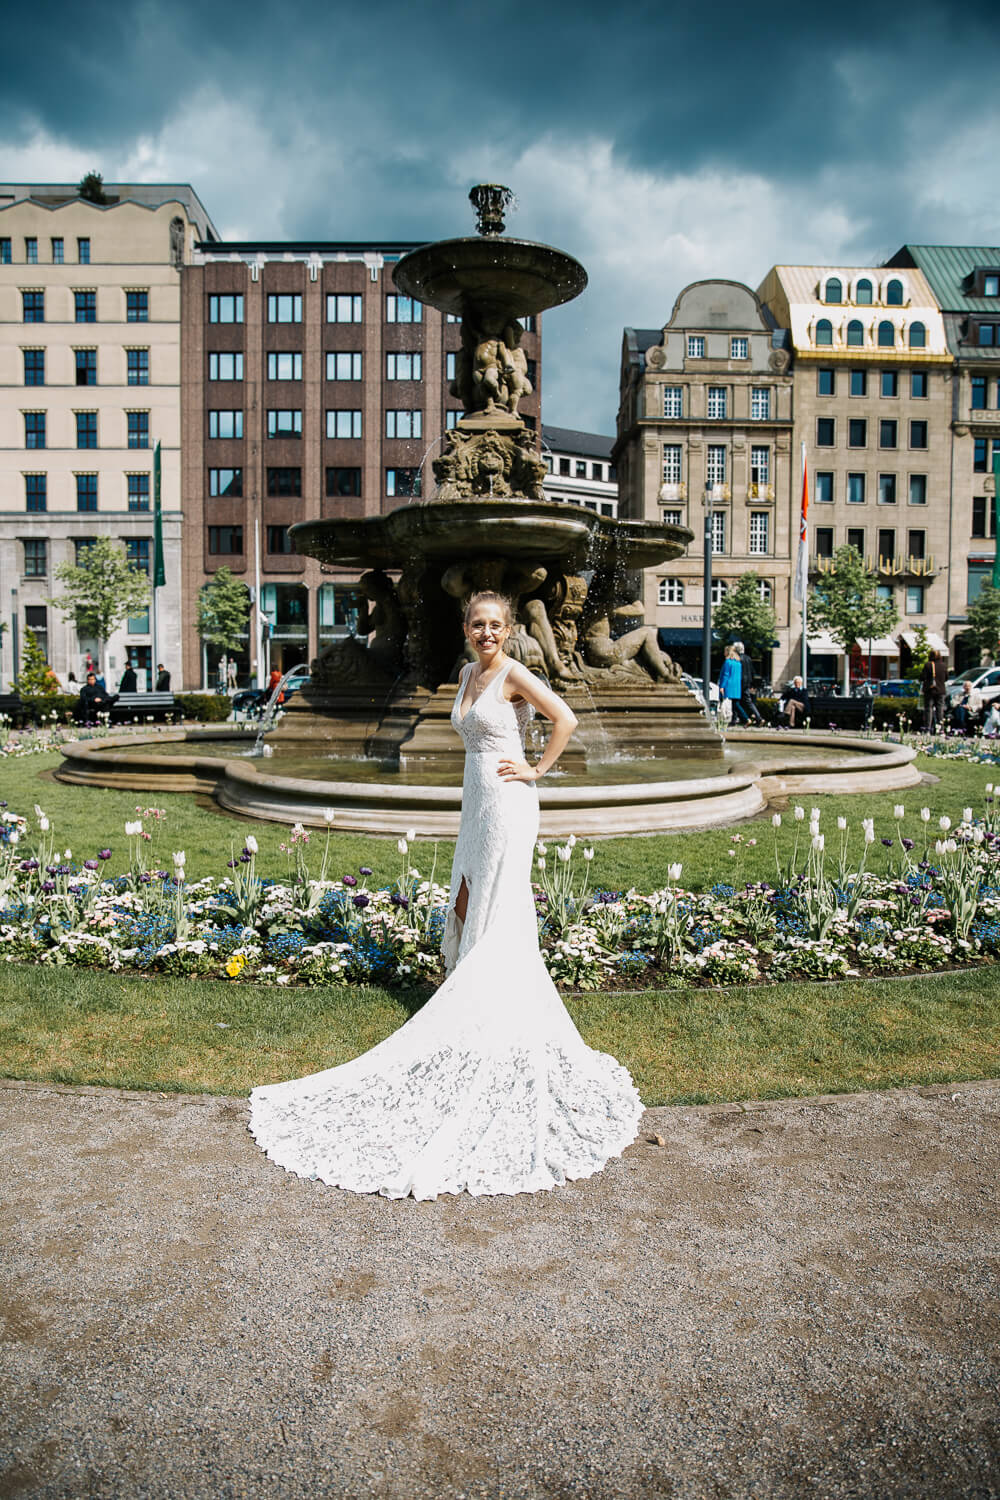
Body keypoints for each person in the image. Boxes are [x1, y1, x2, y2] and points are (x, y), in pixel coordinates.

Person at [249, 591, 643, 1199]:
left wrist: (537, 769)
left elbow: (564, 718)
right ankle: (474, 997)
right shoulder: (465, 674)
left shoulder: (514, 673)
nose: (487, 633)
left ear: (508, 629)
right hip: (477, 800)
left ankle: (493, 1011)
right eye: (478, 624)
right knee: (468, 892)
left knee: (499, 899)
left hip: (509, 802)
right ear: (466, 628)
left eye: (495, 625)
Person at [735, 642, 764, 724]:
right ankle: (758, 717)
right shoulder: (748, 658)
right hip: (747, 683)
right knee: (749, 702)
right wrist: (752, 683)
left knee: (735, 702)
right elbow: (752, 671)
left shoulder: (737, 659)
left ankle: (739, 718)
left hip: (739, 683)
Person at [717, 645, 745, 725]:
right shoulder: (738, 663)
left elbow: (725, 675)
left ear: (728, 652)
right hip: (737, 686)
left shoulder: (727, 662)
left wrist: (722, 686)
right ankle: (734, 720)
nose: (724, 653)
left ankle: (746, 718)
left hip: (729, 685)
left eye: (725, 651)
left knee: (733, 704)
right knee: (735, 703)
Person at [922, 651, 948, 731]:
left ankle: (928, 728)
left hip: (930, 690)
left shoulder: (928, 665)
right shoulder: (944, 665)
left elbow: (922, 677)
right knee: (940, 709)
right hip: (941, 690)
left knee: (928, 709)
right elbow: (946, 678)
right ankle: (940, 729)